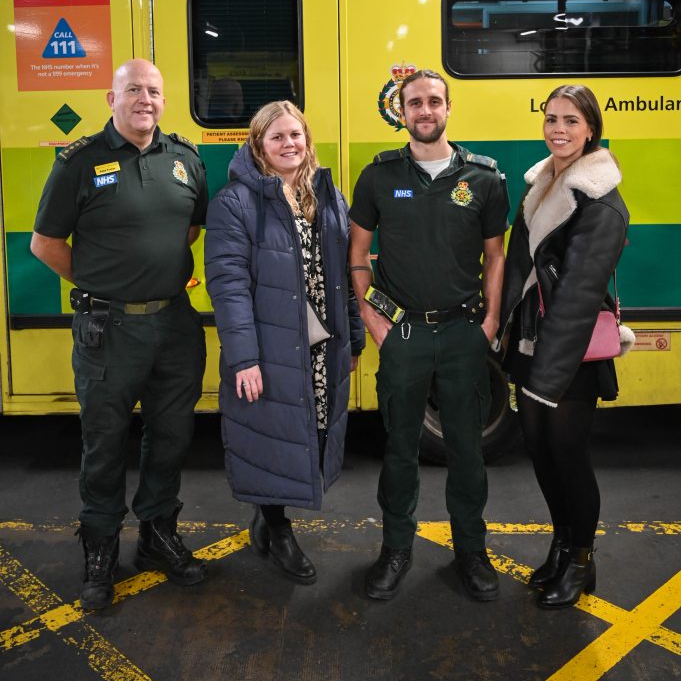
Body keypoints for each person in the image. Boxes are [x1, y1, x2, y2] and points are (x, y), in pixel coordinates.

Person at [31, 59, 208, 611]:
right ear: (111, 97)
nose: (145, 100)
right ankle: (101, 549)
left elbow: (192, 227)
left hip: (176, 324)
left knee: (173, 435)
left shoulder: (185, 160)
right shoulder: (80, 163)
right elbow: (45, 243)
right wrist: (102, 282)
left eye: (154, 91)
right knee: (104, 444)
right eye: (134, 90)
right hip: (107, 328)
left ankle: (157, 535)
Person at [349, 69, 509, 602]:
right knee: (399, 449)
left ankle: (471, 550)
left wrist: (488, 322)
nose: (425, 111)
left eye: (434, 101)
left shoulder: (484, 178)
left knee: (466, 450)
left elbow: (495, 256)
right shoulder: (377, 176)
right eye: (414, 103)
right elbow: (358, 259)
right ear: (401, 110)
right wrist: (376, 323)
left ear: (448, 107)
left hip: (464, 333)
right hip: (403, 336)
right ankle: (396, 548)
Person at [204, 100, 365, 584]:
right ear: (259, 144)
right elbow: (228, 286)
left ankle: (267, 517)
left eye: (295, 134)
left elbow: (343, 277)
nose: (288, 144)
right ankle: (277, 529)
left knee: (302, 433)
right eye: (276, 137)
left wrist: (353, 338)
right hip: (270, 348)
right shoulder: (235, 203)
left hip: (319, 346)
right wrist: (245, 358)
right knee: (272, 436)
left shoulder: (327, 196)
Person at [499, 84, 634, 609]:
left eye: (571, 121)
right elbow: (517, 266)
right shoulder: (543, 184)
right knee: (540, 452)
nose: (558, 129)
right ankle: (561, 545)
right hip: (534, 341)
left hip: (569, 354)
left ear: (591, 130)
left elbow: (577, 297)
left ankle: (582, 562)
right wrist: (500, 329)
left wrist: (546, 383)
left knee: (569, 457)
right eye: (552, 119)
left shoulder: (601, 200)